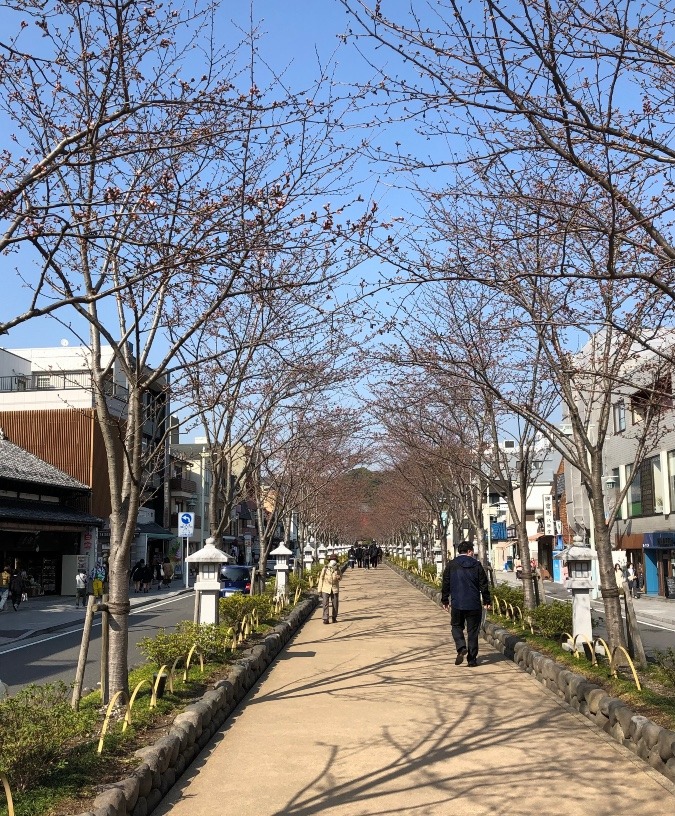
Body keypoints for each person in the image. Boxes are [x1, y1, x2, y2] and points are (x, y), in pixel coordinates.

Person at [441, 541, 491, 667]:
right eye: (472, 551)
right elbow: (483, 584)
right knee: (473, 631)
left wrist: (445, 599)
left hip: (457, 603)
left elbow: (446, 582)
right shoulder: (477, 565)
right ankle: (472, 660)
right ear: (469, 551)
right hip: (474, 603)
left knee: (456, 626)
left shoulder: (451, 565)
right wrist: (487, 600)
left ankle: (461, 647)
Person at [317, 552, 342, 624]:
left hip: (334, 588)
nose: (333, 561)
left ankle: (334, 617)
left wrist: (338, 577)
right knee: (325, 603)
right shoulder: (325, 568)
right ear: (330, 560)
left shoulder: (338, 569)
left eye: (334, 560)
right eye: (332, 559)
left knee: (335, 604)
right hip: (325, 588)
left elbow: (340, 578)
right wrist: (319, 589)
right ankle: (325, 618)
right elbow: (321, 579)